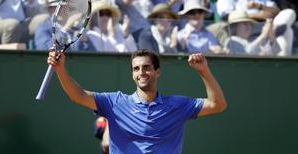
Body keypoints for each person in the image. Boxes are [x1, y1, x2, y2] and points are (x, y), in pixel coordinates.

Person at [46, 48, 227, 154]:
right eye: (136, 69)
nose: (141, 72)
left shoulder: (177, 105)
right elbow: (78, 95)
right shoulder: (114, 102)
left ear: (158, 72)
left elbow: (217, 104)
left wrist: (203, 71)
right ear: (132, 74)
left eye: (147, 68)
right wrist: (61, 69)